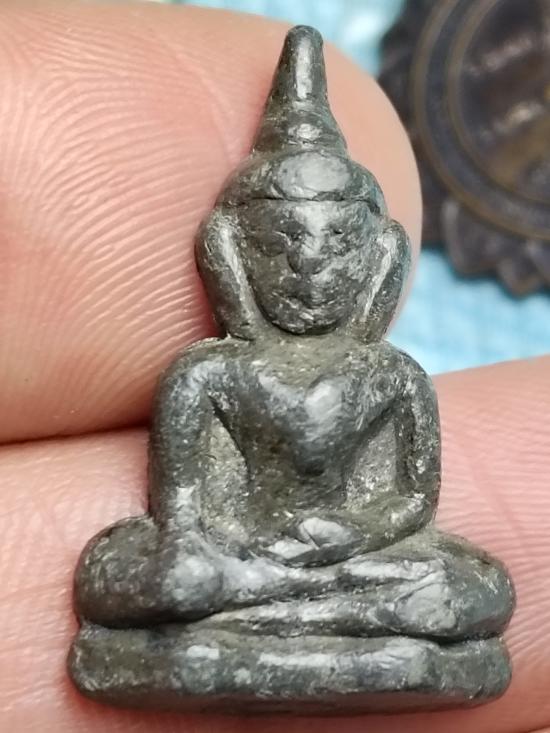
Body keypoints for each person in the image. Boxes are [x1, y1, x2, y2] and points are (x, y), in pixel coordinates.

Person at [0, 2, 547, 732]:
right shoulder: (206, 373)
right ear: (230, 252)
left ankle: (237, 650)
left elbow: (412, 504)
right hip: (233, 561)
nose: (308, 267)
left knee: (462, 586)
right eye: (279, 244)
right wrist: (247, 550)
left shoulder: (392, 377)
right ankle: (332, 649)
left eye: (335, 245)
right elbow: (184, 509)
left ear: (377, 256)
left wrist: (347, 538)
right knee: (175, 575)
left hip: (350, 560)